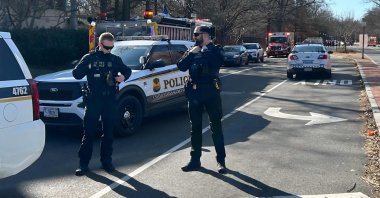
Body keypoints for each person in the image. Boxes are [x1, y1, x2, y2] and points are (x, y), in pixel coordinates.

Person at [72, 32, 132, 176]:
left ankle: (107, 162)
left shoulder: (115, 59)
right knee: (89, 133)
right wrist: (86, 65)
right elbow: (76, 74)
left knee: (109, 133)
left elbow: (127, 71)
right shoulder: (90, 58)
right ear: (100, 44)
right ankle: (83, 164)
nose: (109, 50)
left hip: (110, 100)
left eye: (111, 48)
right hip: (94, 100)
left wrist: (122, 77)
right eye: (106, 47)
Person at [177, 26, 227, 174]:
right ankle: (194, 160)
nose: (194, 37)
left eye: (197, 34)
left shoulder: (215, 50)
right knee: (195, 128)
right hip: (194, 93)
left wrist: (205, 49)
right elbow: (181, 66)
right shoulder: (193, 50)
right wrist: (192, 54)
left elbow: (217, 63)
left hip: (211, 92)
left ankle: (221, 161)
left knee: (216, 126)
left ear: (205, 35)